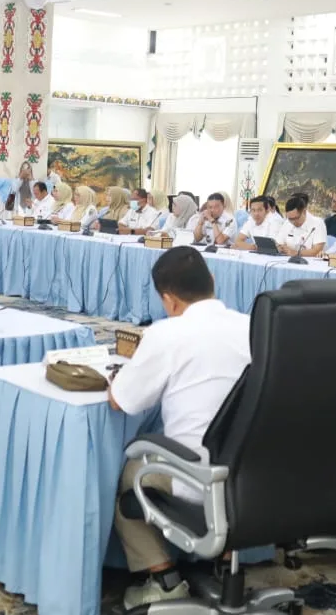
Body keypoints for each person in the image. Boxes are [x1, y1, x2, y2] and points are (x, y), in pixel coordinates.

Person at [108, 247, 250, 609]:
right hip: (255, 475)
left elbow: (121, 401)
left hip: (198, 476)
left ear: (168, 300)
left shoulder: (166, 334)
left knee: (130, 472)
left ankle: (164, 580)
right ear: (212, 282)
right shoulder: (254, 326)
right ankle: (222, 563)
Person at [273, 193, 326, 258]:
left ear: (304, 211)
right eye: (290, 219)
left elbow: (317, 250)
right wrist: (280, 248)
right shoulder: (287, 222)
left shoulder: (318, 223)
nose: (293, 222)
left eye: (296, 218)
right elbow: (279, 243)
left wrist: (296, 253)